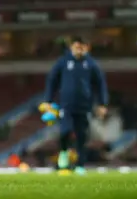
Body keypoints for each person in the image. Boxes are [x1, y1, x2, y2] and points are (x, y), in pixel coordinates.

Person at [43, 36, 108, 174]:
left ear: (87, 48)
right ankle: (64, 155)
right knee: (65, 131)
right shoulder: (63, 62)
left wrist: (102, 103)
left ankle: (80, 165)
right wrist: (48, 100)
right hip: (66, 105)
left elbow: (100, 84)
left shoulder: (91, 64)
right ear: (71, 47)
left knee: (82, 135)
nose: (79, 49)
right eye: (77, 46)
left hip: (84, 106)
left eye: (82, 47)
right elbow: (52, 80)